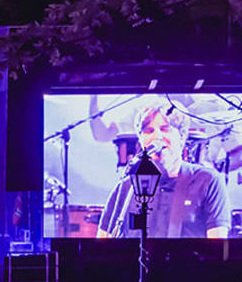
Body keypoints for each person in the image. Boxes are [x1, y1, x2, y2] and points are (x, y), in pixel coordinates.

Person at [97, 101, 229, 238]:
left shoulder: (207, 181)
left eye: (165, 129)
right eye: (149, 131)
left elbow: (218, 248)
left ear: (181, 137)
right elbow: (102, 244)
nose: (157, 137)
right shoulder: (127, 187)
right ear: (141, 140)